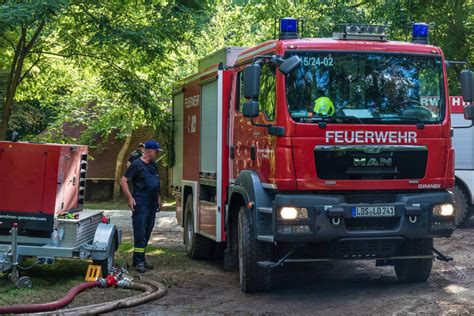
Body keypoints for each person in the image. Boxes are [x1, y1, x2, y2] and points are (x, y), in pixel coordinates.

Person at [120, 140, 163, 273]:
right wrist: (130, 198)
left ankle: (140, 259)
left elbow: (155, 182)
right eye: (156, 151)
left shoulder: (153, 165)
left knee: (148, 231)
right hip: (141, 202)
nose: (157, 154)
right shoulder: (136, 164)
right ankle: (138, 262)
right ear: (150, 151)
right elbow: (123, 180)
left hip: (152, 203)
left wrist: (158, 198)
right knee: (140, 232)